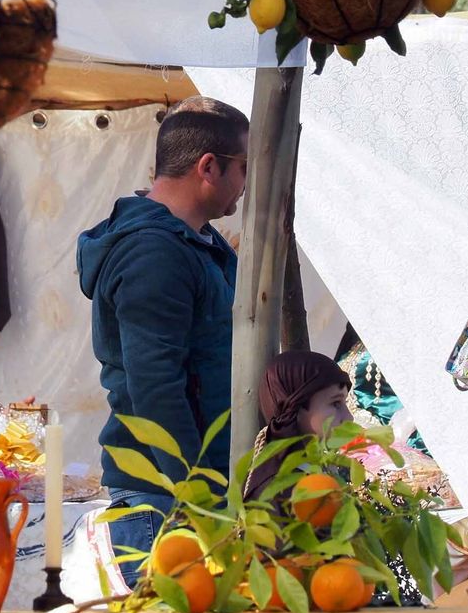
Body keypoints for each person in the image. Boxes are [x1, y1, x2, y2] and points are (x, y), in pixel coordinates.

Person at [77, 96, 247, 583]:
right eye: (242, 167)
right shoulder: (155, 252)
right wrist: (201, 499)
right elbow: (156, 388)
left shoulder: (199, 242)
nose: (245, 183)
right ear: (208, 167)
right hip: (167, 501)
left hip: (195, 495)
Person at [244, 350, 354, 497]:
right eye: (335, 403)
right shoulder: (279, 489)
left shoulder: (318, 468)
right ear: (297, 407)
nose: (349, 417)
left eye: (344, 402)